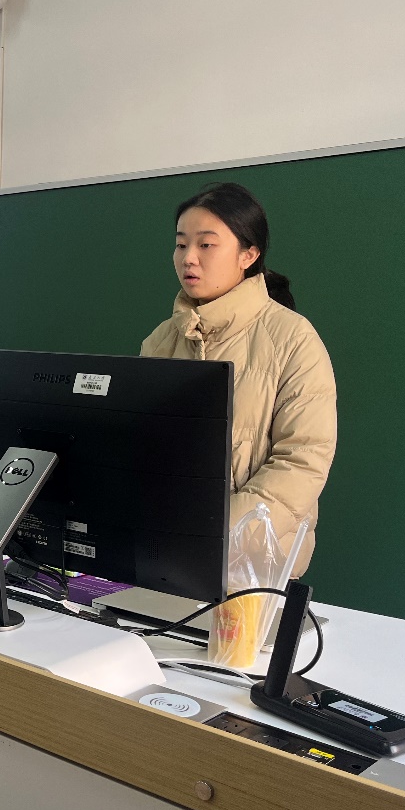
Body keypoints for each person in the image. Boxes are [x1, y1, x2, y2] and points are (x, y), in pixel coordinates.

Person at [140, 183, 336, 576]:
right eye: (181, 244)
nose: (188, 258)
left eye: (206, 245)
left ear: (249, 254)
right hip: (166, 555)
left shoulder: (292, 339)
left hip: (256, 565)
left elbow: (303, 457)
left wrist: (218, 535)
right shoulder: (160, 341)